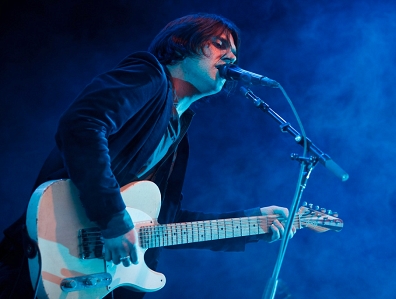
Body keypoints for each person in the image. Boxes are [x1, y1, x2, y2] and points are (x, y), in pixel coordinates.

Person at [0, 13, 296, 298]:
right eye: (220, 44)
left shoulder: (179, 133)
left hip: (85, 274)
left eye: (234, 51)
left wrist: (250, 222)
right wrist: (114, 219)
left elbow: (163, 223)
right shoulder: (149, 74)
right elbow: (83, 125)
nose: (232, 57)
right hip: (46, 249)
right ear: (182, 42)